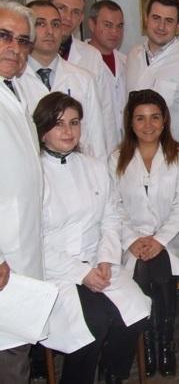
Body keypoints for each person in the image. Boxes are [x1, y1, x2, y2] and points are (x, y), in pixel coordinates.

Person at [33, 92, 150, 384]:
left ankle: (112, 374)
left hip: (97, 259)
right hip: (55, 269)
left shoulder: (95, 167)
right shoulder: (32, 174)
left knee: (137, 311)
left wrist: (106, 259)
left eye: (74, 123)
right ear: (43, 130)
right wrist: (81, 273)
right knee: (94, 323)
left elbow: (111, 217)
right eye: (59, 124)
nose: (68, 131)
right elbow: (33, 239)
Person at [109, 89, 179, 377]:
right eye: (140, 118)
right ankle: (150, 342)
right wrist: (133, 239)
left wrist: (159, 240)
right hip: (131, 238)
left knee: (157, 261)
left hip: (172, 236)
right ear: (130, 122)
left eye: (155, 117)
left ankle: (163, 342)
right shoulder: (117, 158)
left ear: (165, 120)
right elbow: (113, 206)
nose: (148, 125)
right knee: (146, 265)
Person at [0, 0, 45, 384]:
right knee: (9, 356)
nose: (14, 47)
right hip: (5, 257)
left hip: (22, 252)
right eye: (4, 36)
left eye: (23, 40)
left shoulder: (14, 92)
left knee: (16, 353)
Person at [19, 0, 106, 161]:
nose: (50, 31)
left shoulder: (83, 79)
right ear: (26, 30)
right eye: (40, 24)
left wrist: (98, 172)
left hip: (76, 169)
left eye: (55, 24)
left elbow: (96, 141)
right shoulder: (13, 80)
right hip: (30, 168)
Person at [126, 0, 179, 146]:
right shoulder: (133, 56)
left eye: (169, 21)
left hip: (173, 154)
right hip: (135, 151)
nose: (161, 27)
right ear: (146, 18)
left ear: (178, 26)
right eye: (156, 18)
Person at [48, 0, 114, 142]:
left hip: (83, 148)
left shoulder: (91, 56)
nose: (68, 17)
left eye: (75, 12)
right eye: (62, 8)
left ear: (81, 18)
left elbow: (106, 113)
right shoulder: (28, 56)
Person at [88, 0, 127, 153]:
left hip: (125, 150)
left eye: (120, 26)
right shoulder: (79, 64)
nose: (115, 32)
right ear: (92, 24)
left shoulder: (127, 62)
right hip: (94, 151)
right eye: (108, 25)